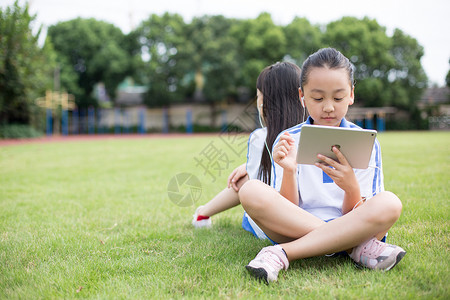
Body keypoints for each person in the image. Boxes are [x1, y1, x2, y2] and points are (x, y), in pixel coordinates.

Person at [239, 48, 406, 284]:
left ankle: (281, 253)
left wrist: (350, 187)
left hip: (350, 222)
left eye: (338, 98)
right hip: (298, 227)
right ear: (302, 96)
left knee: (390, 203)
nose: (328, 107)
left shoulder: (367, 141)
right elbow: (288, 208)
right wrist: (289, 170)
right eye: (318, 98)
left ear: (351, 95)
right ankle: (353, 249)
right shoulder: (288, 139)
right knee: (250, 190)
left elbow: (359, 212)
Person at [192, 62, 304, 237]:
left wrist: (251, 166)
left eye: (258, 96)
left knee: (245, 179)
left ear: (266, 102)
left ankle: (202, 213)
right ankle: (202, 213)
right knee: (247, 176)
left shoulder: (261, 138)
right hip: (312, 218)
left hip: (271, 227)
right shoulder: (311, 134)